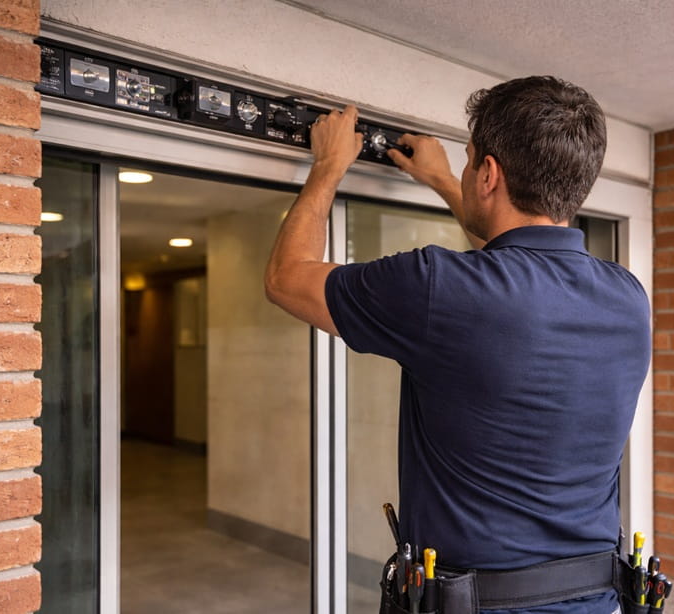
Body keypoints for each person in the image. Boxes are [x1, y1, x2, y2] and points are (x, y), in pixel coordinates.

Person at [265, 76, 651, 614]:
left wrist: (329, 165)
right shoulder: (628, 299)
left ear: (489, 174)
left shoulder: (437, 288)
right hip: (596, 602)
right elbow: (514, 275)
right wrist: (448, 180)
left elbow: (287, 277)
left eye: (472, 163)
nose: (468, 173)